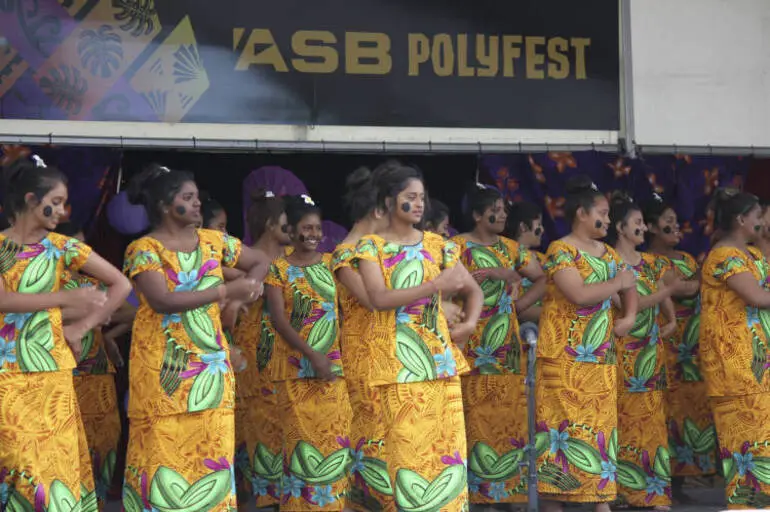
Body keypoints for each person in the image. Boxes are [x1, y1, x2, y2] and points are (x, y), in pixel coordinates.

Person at [121, 164, 267, 512]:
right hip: (164, 373)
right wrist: (225, 290)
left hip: (211, 372)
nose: (198, 204)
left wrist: (242, 294)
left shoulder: (214, 242)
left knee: (211, 458)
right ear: (164, 206)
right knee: (161, 455)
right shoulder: (143, 249)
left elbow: (260, 261)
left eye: (197, 197)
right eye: (188, 198)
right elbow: (163, 300)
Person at [0, 156, 131, 511]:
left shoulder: (62, 246)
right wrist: (65, 299)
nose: (61, 211)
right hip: (6, 373)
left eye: (63, 203)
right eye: (55, 202)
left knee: (52, 462)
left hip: (51, 371)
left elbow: (120, 283)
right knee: (17, 462)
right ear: (30, 200)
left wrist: (84, 326)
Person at [355, 162, 483, 512]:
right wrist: (434, 287)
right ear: (388, 201)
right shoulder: (370, 248)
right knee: (409, 456)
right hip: (398, 366)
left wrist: (470, 323)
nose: (419, 203)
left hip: (441, 363)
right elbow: (378, 299)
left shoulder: (437, 245)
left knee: (447, 456)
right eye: (410, 197)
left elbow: (474, 291)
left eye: (422, 197)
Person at [535, 175, 637, 512]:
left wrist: (630, 315)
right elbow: (578, 294)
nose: (608, 220)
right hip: (562, 361)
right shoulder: (560, 250)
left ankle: (600, 502)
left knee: (599, 431)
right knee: (560, 434)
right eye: (604, 214)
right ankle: (555, 501)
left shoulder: (607, 253)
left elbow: (629, 283)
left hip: (600, 360)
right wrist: (617, 283)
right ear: (581, 213)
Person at [451, 184, 545, 507]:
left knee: (507, 420)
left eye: (505, 209)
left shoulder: (511, 249)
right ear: (477, 214)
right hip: (470, 347)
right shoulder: (456, 246)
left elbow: (545, 277)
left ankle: (507, 495)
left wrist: (517, 302)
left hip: (506, 349)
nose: (503, 214)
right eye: (496, 209)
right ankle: (476, 496)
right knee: (474, 420)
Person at [263, 194, 352, 512]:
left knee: (335, 439)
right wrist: (312, 354)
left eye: (317, 229)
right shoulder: (278, 268)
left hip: (333, 368)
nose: (314, 235)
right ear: (291, 230)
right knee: (300, 445)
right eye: (306, 228)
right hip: (293, 370)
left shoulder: (332, 264)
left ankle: (334, 506)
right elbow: (278, 320)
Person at [607, 193, 679, 510]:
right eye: (636, 223)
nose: (641, 228)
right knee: (623, 420)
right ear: (620, 228)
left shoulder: (651, 262)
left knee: (652, 423)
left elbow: (665, 292)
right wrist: (665, 292)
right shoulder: (609, 261)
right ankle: (624, 492)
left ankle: (655, 493)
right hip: (623, 353)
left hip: (651, 354)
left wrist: (673, 316)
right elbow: (623, 306)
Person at [699, 189, 770, 509]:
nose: (761, 222)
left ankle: (761, 502)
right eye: (757, 217)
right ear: (741, 219)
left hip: (757, 360)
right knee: (745, 437)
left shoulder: (752, 253)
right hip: (734, 362)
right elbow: (758, 297)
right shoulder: (723, 255)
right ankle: (748, 504)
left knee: (762, 435)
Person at [644, 195, 717, 501]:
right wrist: (685, 283)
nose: (675, 226)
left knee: (691, 409)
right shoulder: (645, 261)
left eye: (676, 220)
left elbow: (690, 288)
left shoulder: (686, 259)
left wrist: (684, 283)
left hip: (690, 350)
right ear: (649, 227)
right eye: (667, 220)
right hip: (662, 344)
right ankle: (664, 480)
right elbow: (682, 288)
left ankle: (690, 477)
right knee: (664, 410)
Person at [330, 166, 393, 511]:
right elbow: (373, 300)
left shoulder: (378, 249)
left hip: (387, 353)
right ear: (378, 210)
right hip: (365, 358)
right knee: (373, 441)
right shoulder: (346, 252)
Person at [56, 220, 126, 509]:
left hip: (98, 374)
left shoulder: (91, 284)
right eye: (75, 247)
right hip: (62, 373)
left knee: (105, 439)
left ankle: (94, 502)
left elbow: (134, 313)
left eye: (85, 247)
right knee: (66, 444)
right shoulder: (41, 283)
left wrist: (106, 335)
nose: (82, 254)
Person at [232, 191, 290, 509]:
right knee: (259, 421)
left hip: (290, 351)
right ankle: (264, 498)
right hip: (255, 352)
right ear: (270, 224)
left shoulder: (297, 257)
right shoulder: (246, 258)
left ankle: (287, 493)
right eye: (287, 222)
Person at [507, 200, 546, 322]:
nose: (543, 230)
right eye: (539, 224)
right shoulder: (506, 257)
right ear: (523, 227)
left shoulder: (543, 258)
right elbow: (511, 309)